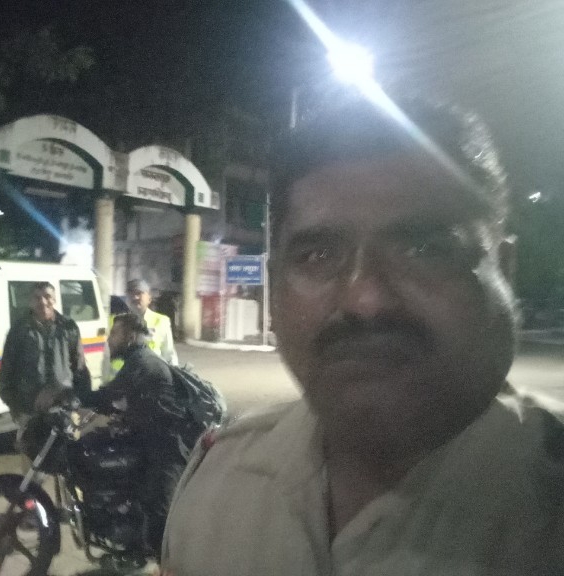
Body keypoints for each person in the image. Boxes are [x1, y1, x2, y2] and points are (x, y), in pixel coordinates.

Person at [160, 94, 564, 575]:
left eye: (424, 249)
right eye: (318, 256)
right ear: (274, 289)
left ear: (504, 270)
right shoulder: (217, 482)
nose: (365, 299)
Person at [88, 313, 189, 557]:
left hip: (166, 447)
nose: (109, 339)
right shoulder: (139, 360)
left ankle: (164, 561)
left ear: (130, 336)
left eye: (115, 333)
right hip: (150, 440)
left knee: (158, 515)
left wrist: (70, 396)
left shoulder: (142, 362)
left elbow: (109, 395)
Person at [0, 281, 91, 437]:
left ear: (54, 299)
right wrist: (17, 410)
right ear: (30, 302)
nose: (43, 301)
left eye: (47, 296)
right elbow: (5, 375)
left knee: (68, 451)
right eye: (37, 297)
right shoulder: (19, 331)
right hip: (30, 413)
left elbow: (79, 369)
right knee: (33, 452)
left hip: (64, 410)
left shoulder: (68, 327)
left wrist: (78, 403)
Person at [106, 279, 178, 380]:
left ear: (149, 298)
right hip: (119, 379)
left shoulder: (161, 321)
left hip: (149, 379)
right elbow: (106, 354)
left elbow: (169, 354)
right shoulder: (114, 320)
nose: (135, 297)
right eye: (131, 293)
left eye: (139, 293)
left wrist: (175, 377)